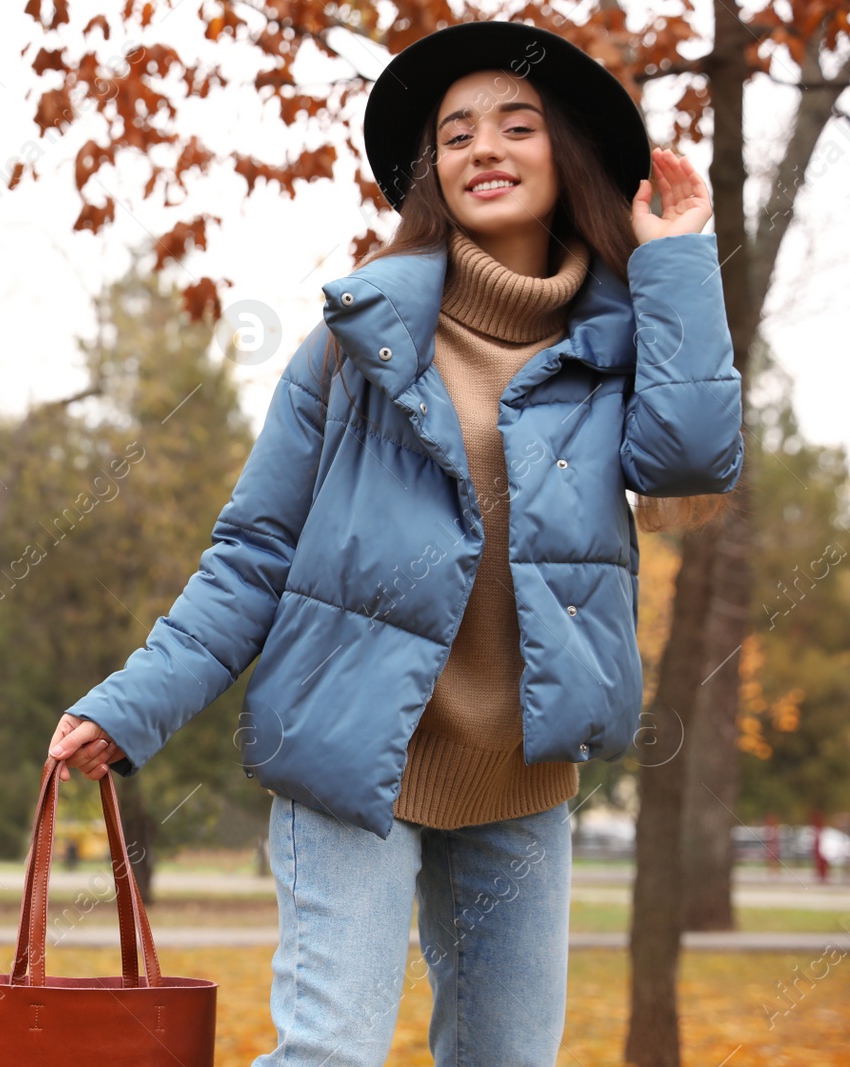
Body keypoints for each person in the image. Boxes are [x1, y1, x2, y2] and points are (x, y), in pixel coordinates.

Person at [46, 19, 743, 1067]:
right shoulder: (349, 345)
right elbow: (253, 553)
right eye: (455, 133)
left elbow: (692, 456)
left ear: (570, 154)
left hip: (523, 775)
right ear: (432, 172)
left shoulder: (614, 352)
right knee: (330, 1051)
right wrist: (130, 703)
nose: (484, 148)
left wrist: (677, 262)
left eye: (518, 124)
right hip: (349, 754)